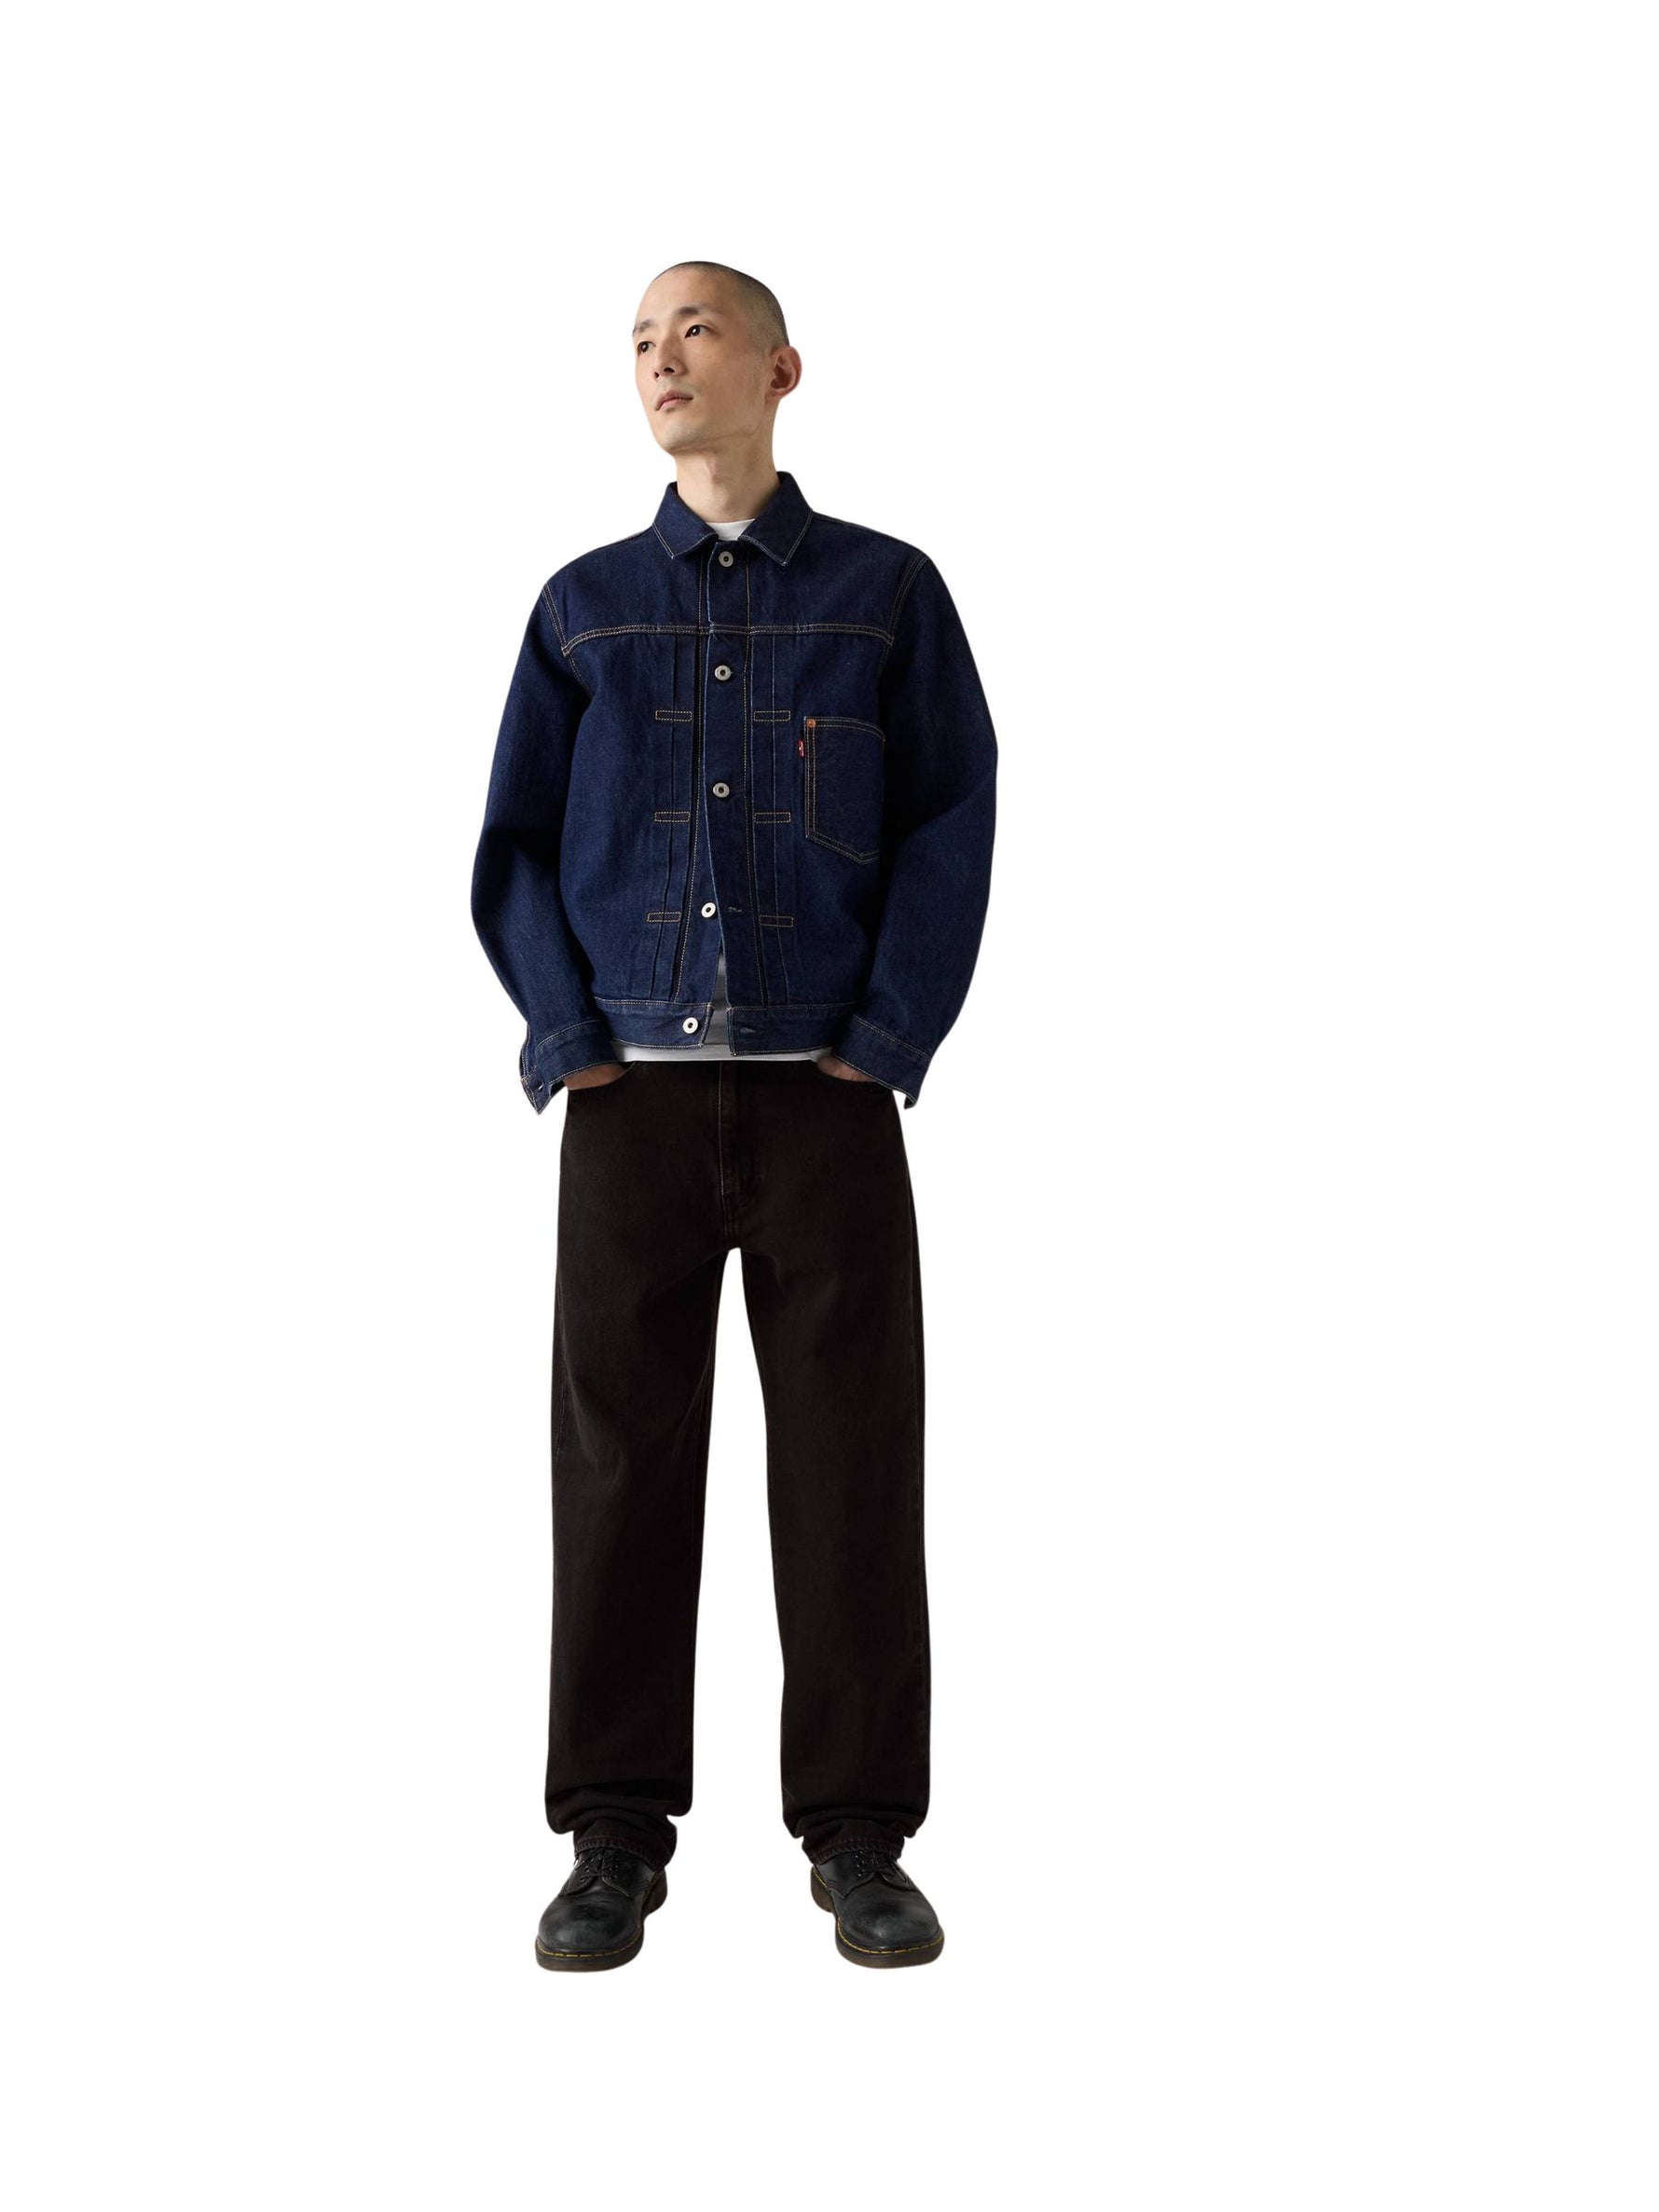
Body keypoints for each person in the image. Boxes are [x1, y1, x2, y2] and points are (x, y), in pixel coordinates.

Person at [471, 260, 997, 1971]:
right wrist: (566, 1031)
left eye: (693, 328)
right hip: (629, 1099)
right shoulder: (583, 607)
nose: (660, 357)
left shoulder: (885, 594)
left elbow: (952, 812)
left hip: (825, 1099)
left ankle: (860, 1837)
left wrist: (888, 1030)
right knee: (619, 1465)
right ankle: (613, 1837)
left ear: (780, 368)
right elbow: (515, 840)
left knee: (852, 1464)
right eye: (639, 338)